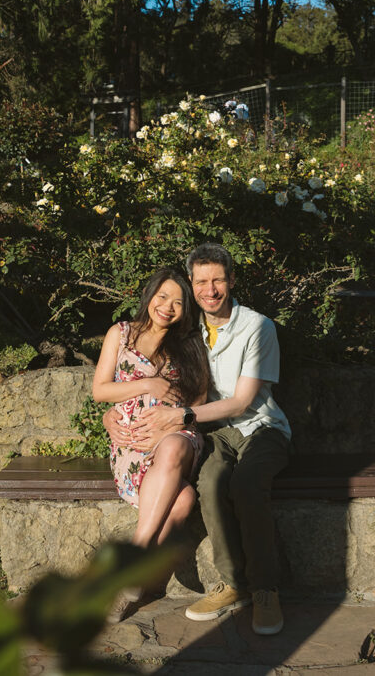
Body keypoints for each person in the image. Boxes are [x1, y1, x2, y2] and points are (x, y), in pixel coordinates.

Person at [107, 243, 291, 636]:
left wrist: (180, 416)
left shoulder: (258, 327)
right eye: (202, 281)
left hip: (261, 427)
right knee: (207, 484)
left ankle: (264, 589)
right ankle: (231, 585)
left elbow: (241, 401)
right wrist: (112, 415)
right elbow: (130, 385)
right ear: (192, 284)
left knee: (246, 484)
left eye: (218, 280)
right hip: (216, 433)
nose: (210, 289)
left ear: (232, 281)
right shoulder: (188, 333)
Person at [92, 266, 211, 622]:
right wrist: (147, 386)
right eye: (163, 297)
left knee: (174, 448)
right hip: (131, 443)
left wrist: (170, 426)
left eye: (178, 302)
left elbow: (201, 402)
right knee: (184, 499)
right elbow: (100, 390)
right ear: (150, 295)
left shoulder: (190, 343)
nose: (168, 307)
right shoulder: (121, 333)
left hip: (177, 435)